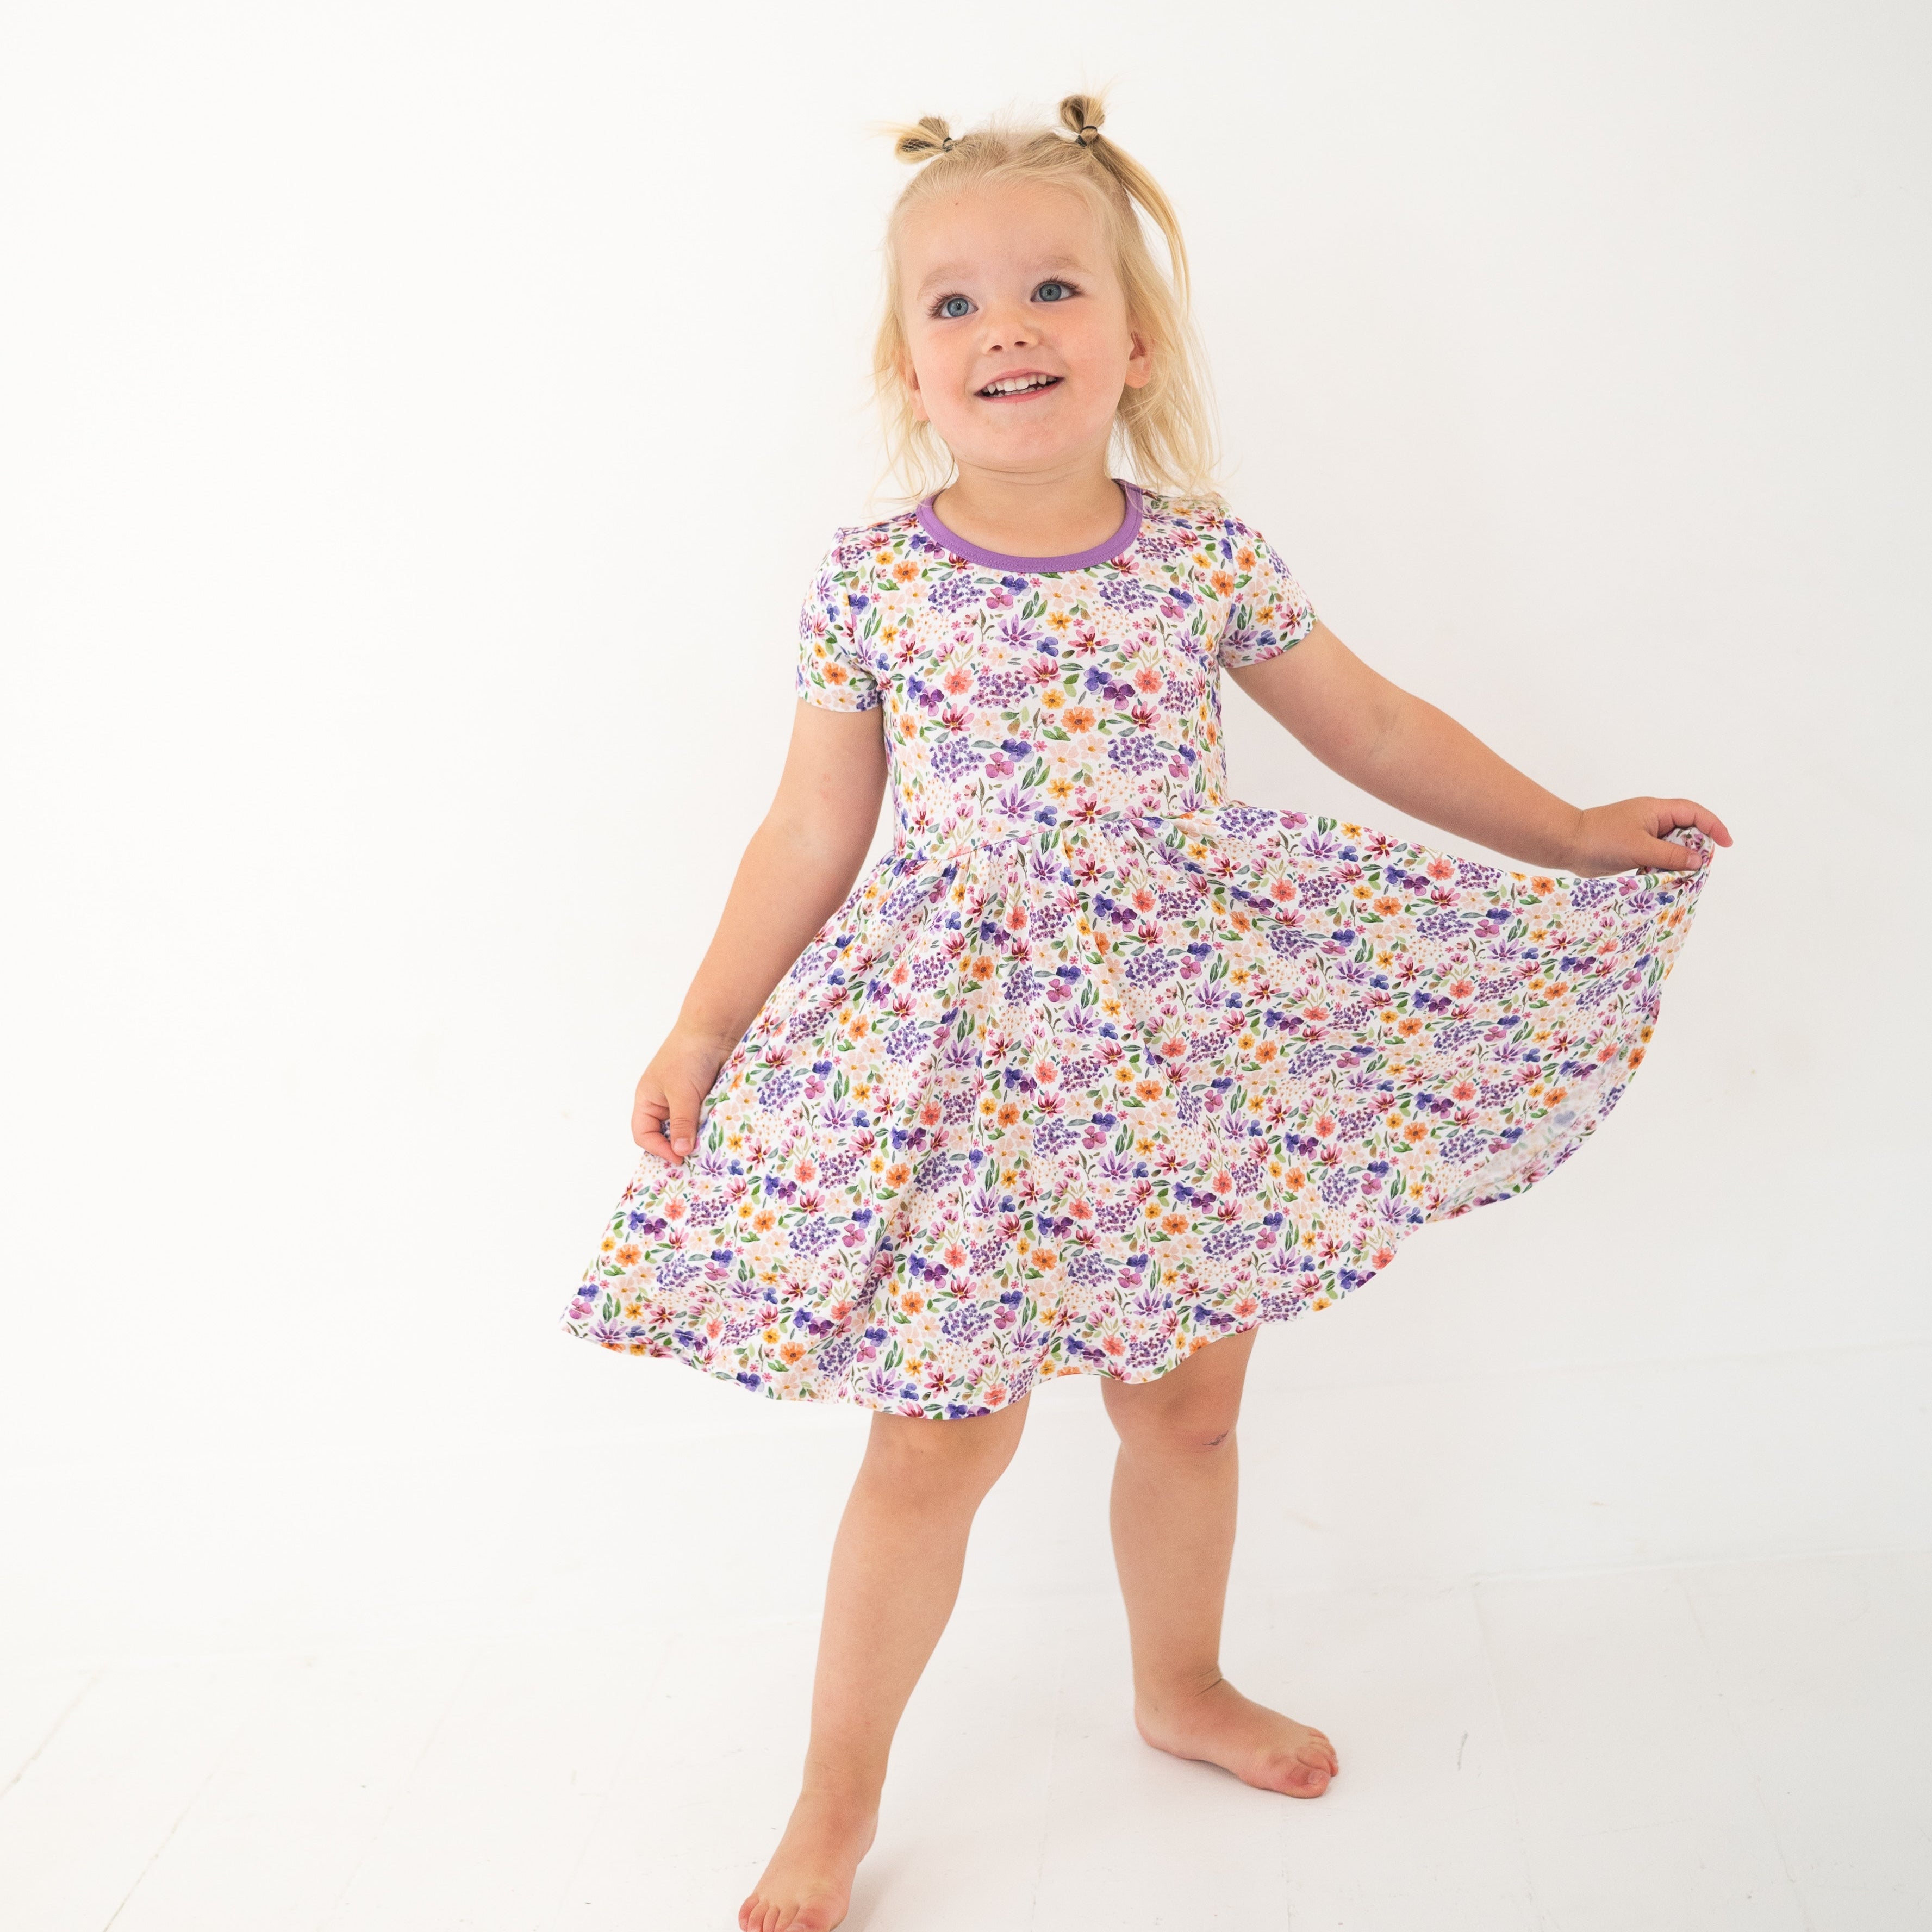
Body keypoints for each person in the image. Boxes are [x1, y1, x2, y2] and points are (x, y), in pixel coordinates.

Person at [562, 92, 1729, 1932]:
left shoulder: (1200, 558)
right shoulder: (874, 581)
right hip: (953, 1056)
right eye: (952, 305)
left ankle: (1176, 1685)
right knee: (939, 1434)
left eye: (1048, 287)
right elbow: (809, 822)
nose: (1003, 327)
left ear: (1133, 341)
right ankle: (833, 1795)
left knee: (1185, 1403)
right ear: (903, 361)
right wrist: (704, 1025)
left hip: (1181, 1035)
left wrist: (1573, 831)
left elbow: (1375, 729)